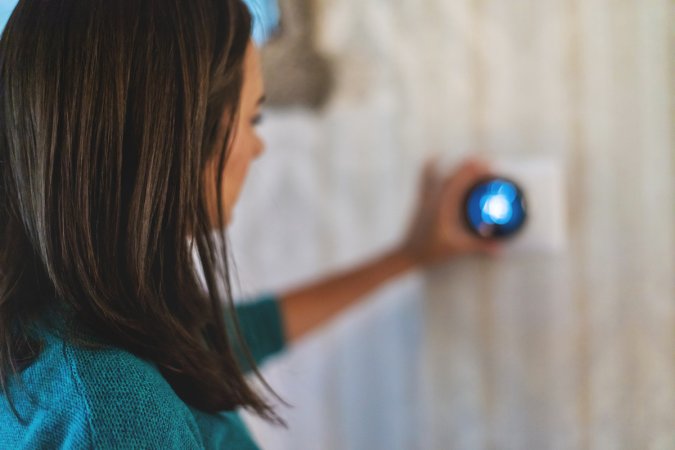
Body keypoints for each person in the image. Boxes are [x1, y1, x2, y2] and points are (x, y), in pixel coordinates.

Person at [0, 0, 498, 448]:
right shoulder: (118, 413)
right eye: (252, 119)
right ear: (180, 140)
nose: (258, 147)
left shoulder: (51, 326)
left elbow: (233, 337)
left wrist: (408, 255)